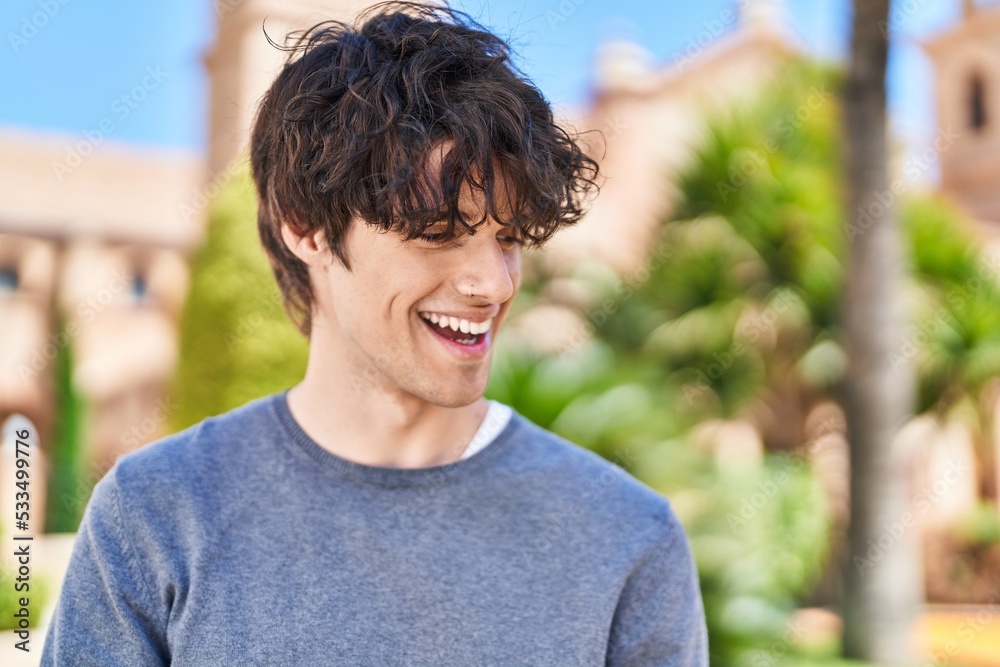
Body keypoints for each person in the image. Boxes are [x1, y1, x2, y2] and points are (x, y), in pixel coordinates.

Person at [40, 2, 708, 664]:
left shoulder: (626, 538)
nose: (495, 284)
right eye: (439, 233)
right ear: (306, 226)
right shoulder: (153, 517)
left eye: (508, 238)